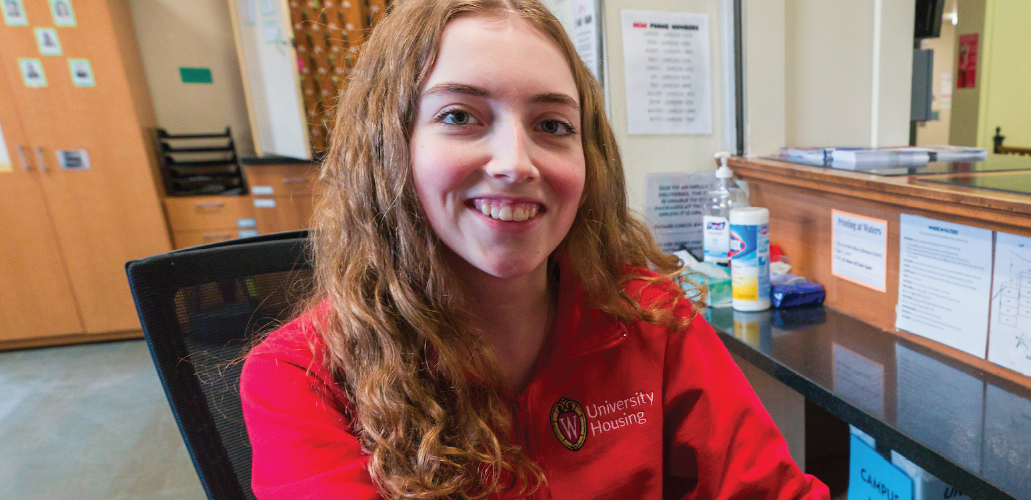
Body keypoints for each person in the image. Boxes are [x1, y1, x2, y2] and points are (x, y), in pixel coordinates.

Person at [238, 0, 830, 498]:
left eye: (552, 126)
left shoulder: (648, 317)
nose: (516, 164)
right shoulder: (302, 377)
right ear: (388, 149)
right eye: (460, 115)